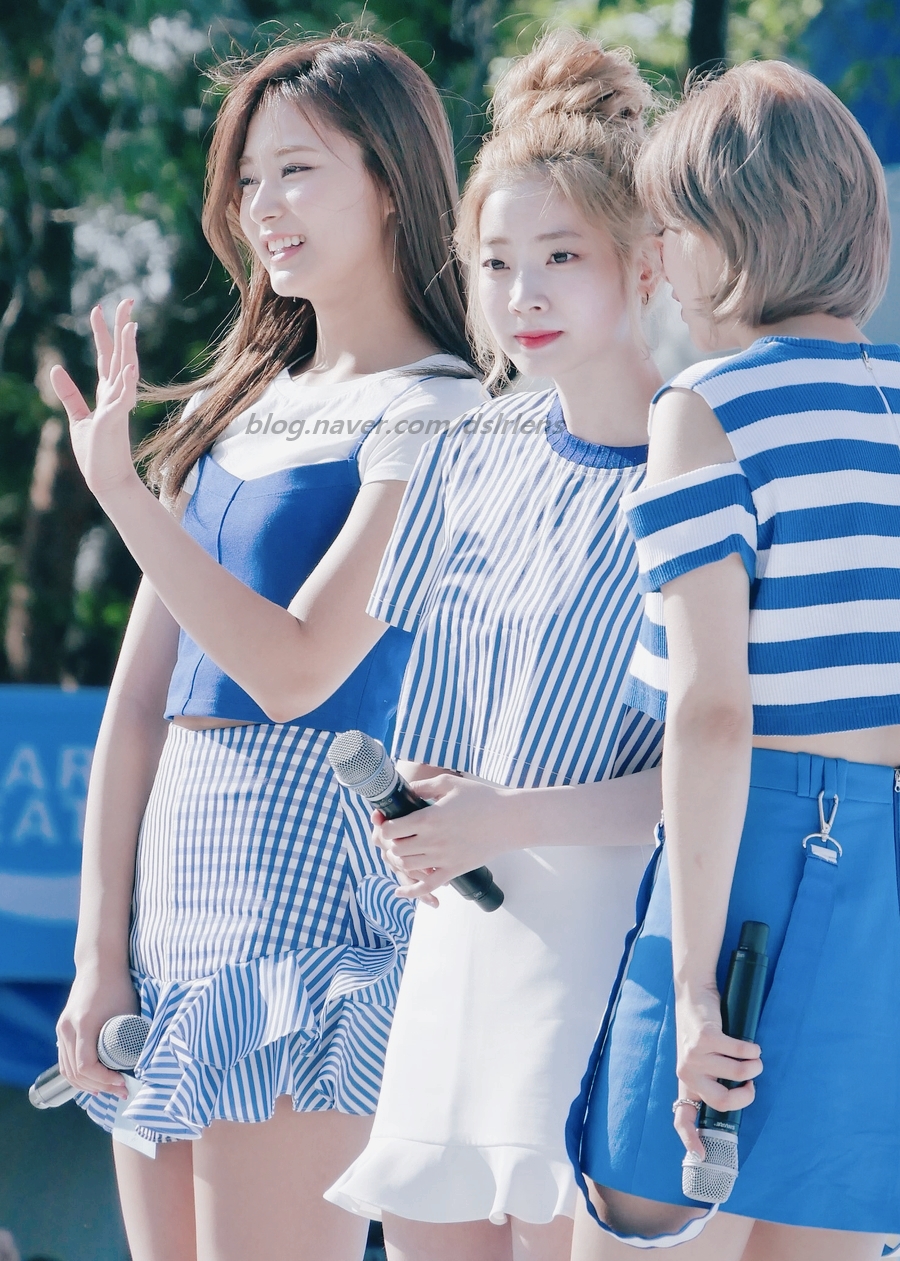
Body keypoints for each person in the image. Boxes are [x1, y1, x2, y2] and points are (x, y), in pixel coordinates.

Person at [48, 35, 484, 1261]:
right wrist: (98, 954)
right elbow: (138, 708)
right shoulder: (234, 405)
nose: (261, 207)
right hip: (176, 896)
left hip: (310, 891)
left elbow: (297, 671)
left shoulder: (443, 409)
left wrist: (125, 496)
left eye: (296, 170)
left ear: (390, 179)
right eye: (247, 179)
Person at [325, 31, 665, 1261]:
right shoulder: (465, 455)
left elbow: (726, 770)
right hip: (462, 932)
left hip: (622, 943)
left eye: (561, 256)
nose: (523, 293)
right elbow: (436, 735)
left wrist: (507, 816)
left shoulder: (705, 467)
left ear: (645, 262)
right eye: (496, 261)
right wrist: (424, 821)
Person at [566, 60, 900, 1261]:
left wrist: (695, 984)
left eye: (668, 229)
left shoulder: (708, 407)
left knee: (639, 1222)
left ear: (729, 234)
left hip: (751, 848)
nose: (656, 262)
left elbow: (713, 713)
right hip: (881, 870)